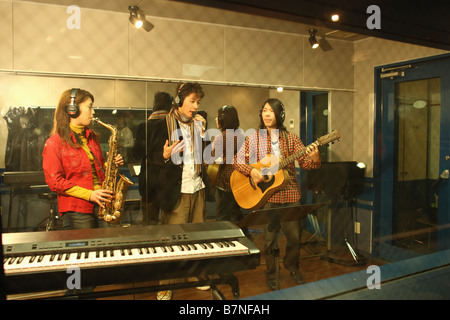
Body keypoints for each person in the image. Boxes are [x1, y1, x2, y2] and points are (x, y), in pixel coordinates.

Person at [233, 98, 321, 290]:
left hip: (290, 196)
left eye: (271, 111)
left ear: (279, 115)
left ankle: (292, 266)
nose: (266, 114)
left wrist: (315, 159)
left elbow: (306, 164)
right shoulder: (254, 138)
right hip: (267, 197)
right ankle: (271, 273)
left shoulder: (291, 139)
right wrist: (252, 171)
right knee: (270, 240)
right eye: (264, 110)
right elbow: (237, 161)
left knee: (295, 237)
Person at [148, 82, 214, 300]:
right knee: (171, 240)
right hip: (177, 190)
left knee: (197, 238)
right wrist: (165, 156)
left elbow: (206, 157)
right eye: (192, 101)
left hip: (198, 188)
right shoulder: (162, 124)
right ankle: (165, 284)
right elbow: (150, 159)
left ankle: (194, 276)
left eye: (198, 102)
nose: (195, 106)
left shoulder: (197, 125)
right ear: (179, 101)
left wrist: (204, 134)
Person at [42, 88, 124, 230]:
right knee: (86, 251)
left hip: (103, 204)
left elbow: (94, 166)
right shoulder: (54, 143)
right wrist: (90, 195)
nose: (93, 112)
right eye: (90, 107)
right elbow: (55, 182)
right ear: (72, 109)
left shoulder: (91, 137)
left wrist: (110, 164)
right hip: (77, 210)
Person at [133, 92, 173, 225]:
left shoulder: (143, 126)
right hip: (169, 178)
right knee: (170, 219)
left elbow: (137, 154)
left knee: (150, 221)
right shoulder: (173, 126)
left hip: (149, 178)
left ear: (154, 105)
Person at [209, 105, 248, 233]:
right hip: (240, 180)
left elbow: (210, 158)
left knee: (222, 216)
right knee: (236, 213)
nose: (216, 119)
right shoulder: (241, 135)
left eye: (218, 116)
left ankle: (225, 242)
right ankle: (246, 239)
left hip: (225, 182)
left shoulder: (222, 137)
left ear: (223, 119)